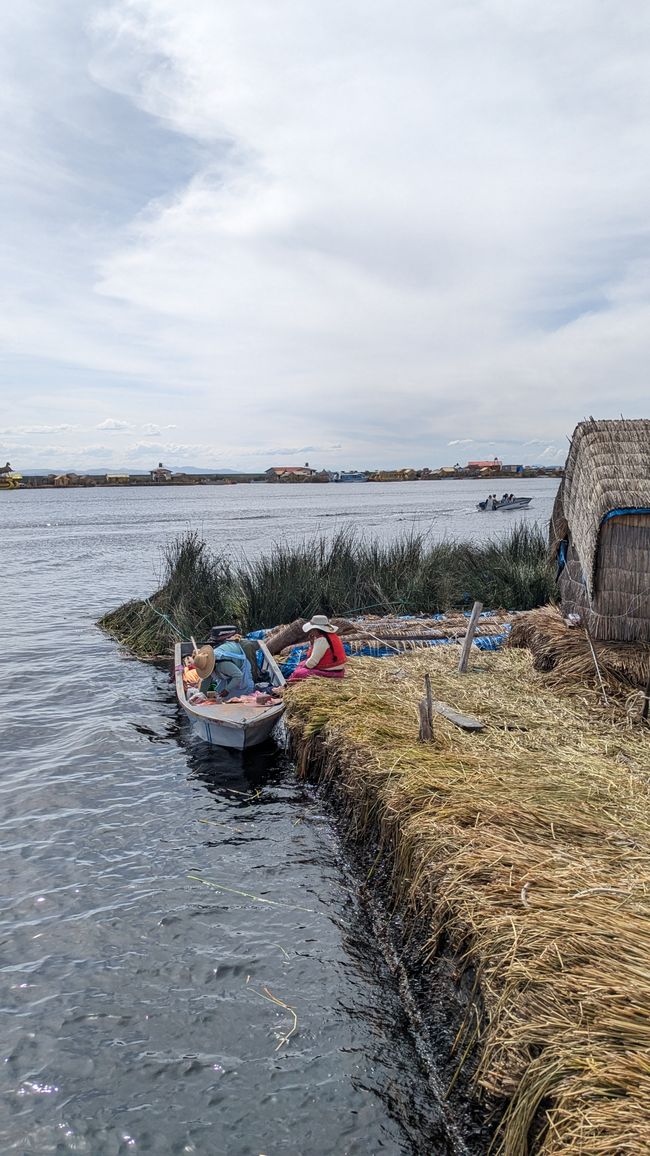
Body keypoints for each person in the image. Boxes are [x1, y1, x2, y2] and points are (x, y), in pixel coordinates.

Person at [287, 614, 347, 682]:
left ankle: (285, 687)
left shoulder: (322, 640)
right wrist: (312, 643)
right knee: (301, 664)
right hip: (338, 670)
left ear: (317, 629)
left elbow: (312, 662)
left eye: (312, 629)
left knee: (298, 673)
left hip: (330, 672)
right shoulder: (332, 636)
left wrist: (302, 668)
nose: (311, 632)